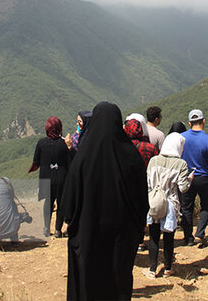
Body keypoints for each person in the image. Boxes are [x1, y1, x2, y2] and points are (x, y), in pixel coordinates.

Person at [61, 101, 148, 300]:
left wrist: (69, 220)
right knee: (118, 279)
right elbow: (142, 200)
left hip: (87, 232)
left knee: (88, 279)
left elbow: (70, 200)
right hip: (122, 235)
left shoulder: (83, 158)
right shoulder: (132, 158)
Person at [144, 133, 193, 278]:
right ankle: (167, 268)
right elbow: (183, 188)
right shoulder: (181, 164)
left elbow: (147, 182)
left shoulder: (154, 160)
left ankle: (152, 269)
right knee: (168, 237)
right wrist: (190, 179)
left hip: (154, 201)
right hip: (171, 203)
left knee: (153, 236)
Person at [180, 109, 208, 246]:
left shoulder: (181, 138)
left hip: (186, 177)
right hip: (204, 178)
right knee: (206, 205)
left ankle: (188, 237)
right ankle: (199, 234)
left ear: (190, 123)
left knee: (186, 207)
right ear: (203, 121)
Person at [30, 116, 71, 238]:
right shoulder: (63, 145)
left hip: (46, 177)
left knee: (48, 202)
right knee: (61, 203)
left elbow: (36, 161)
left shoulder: (41, 143)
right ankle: (58, 230)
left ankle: (46, 228)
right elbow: (69, 162)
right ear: (59, 129)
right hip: (61, 177)